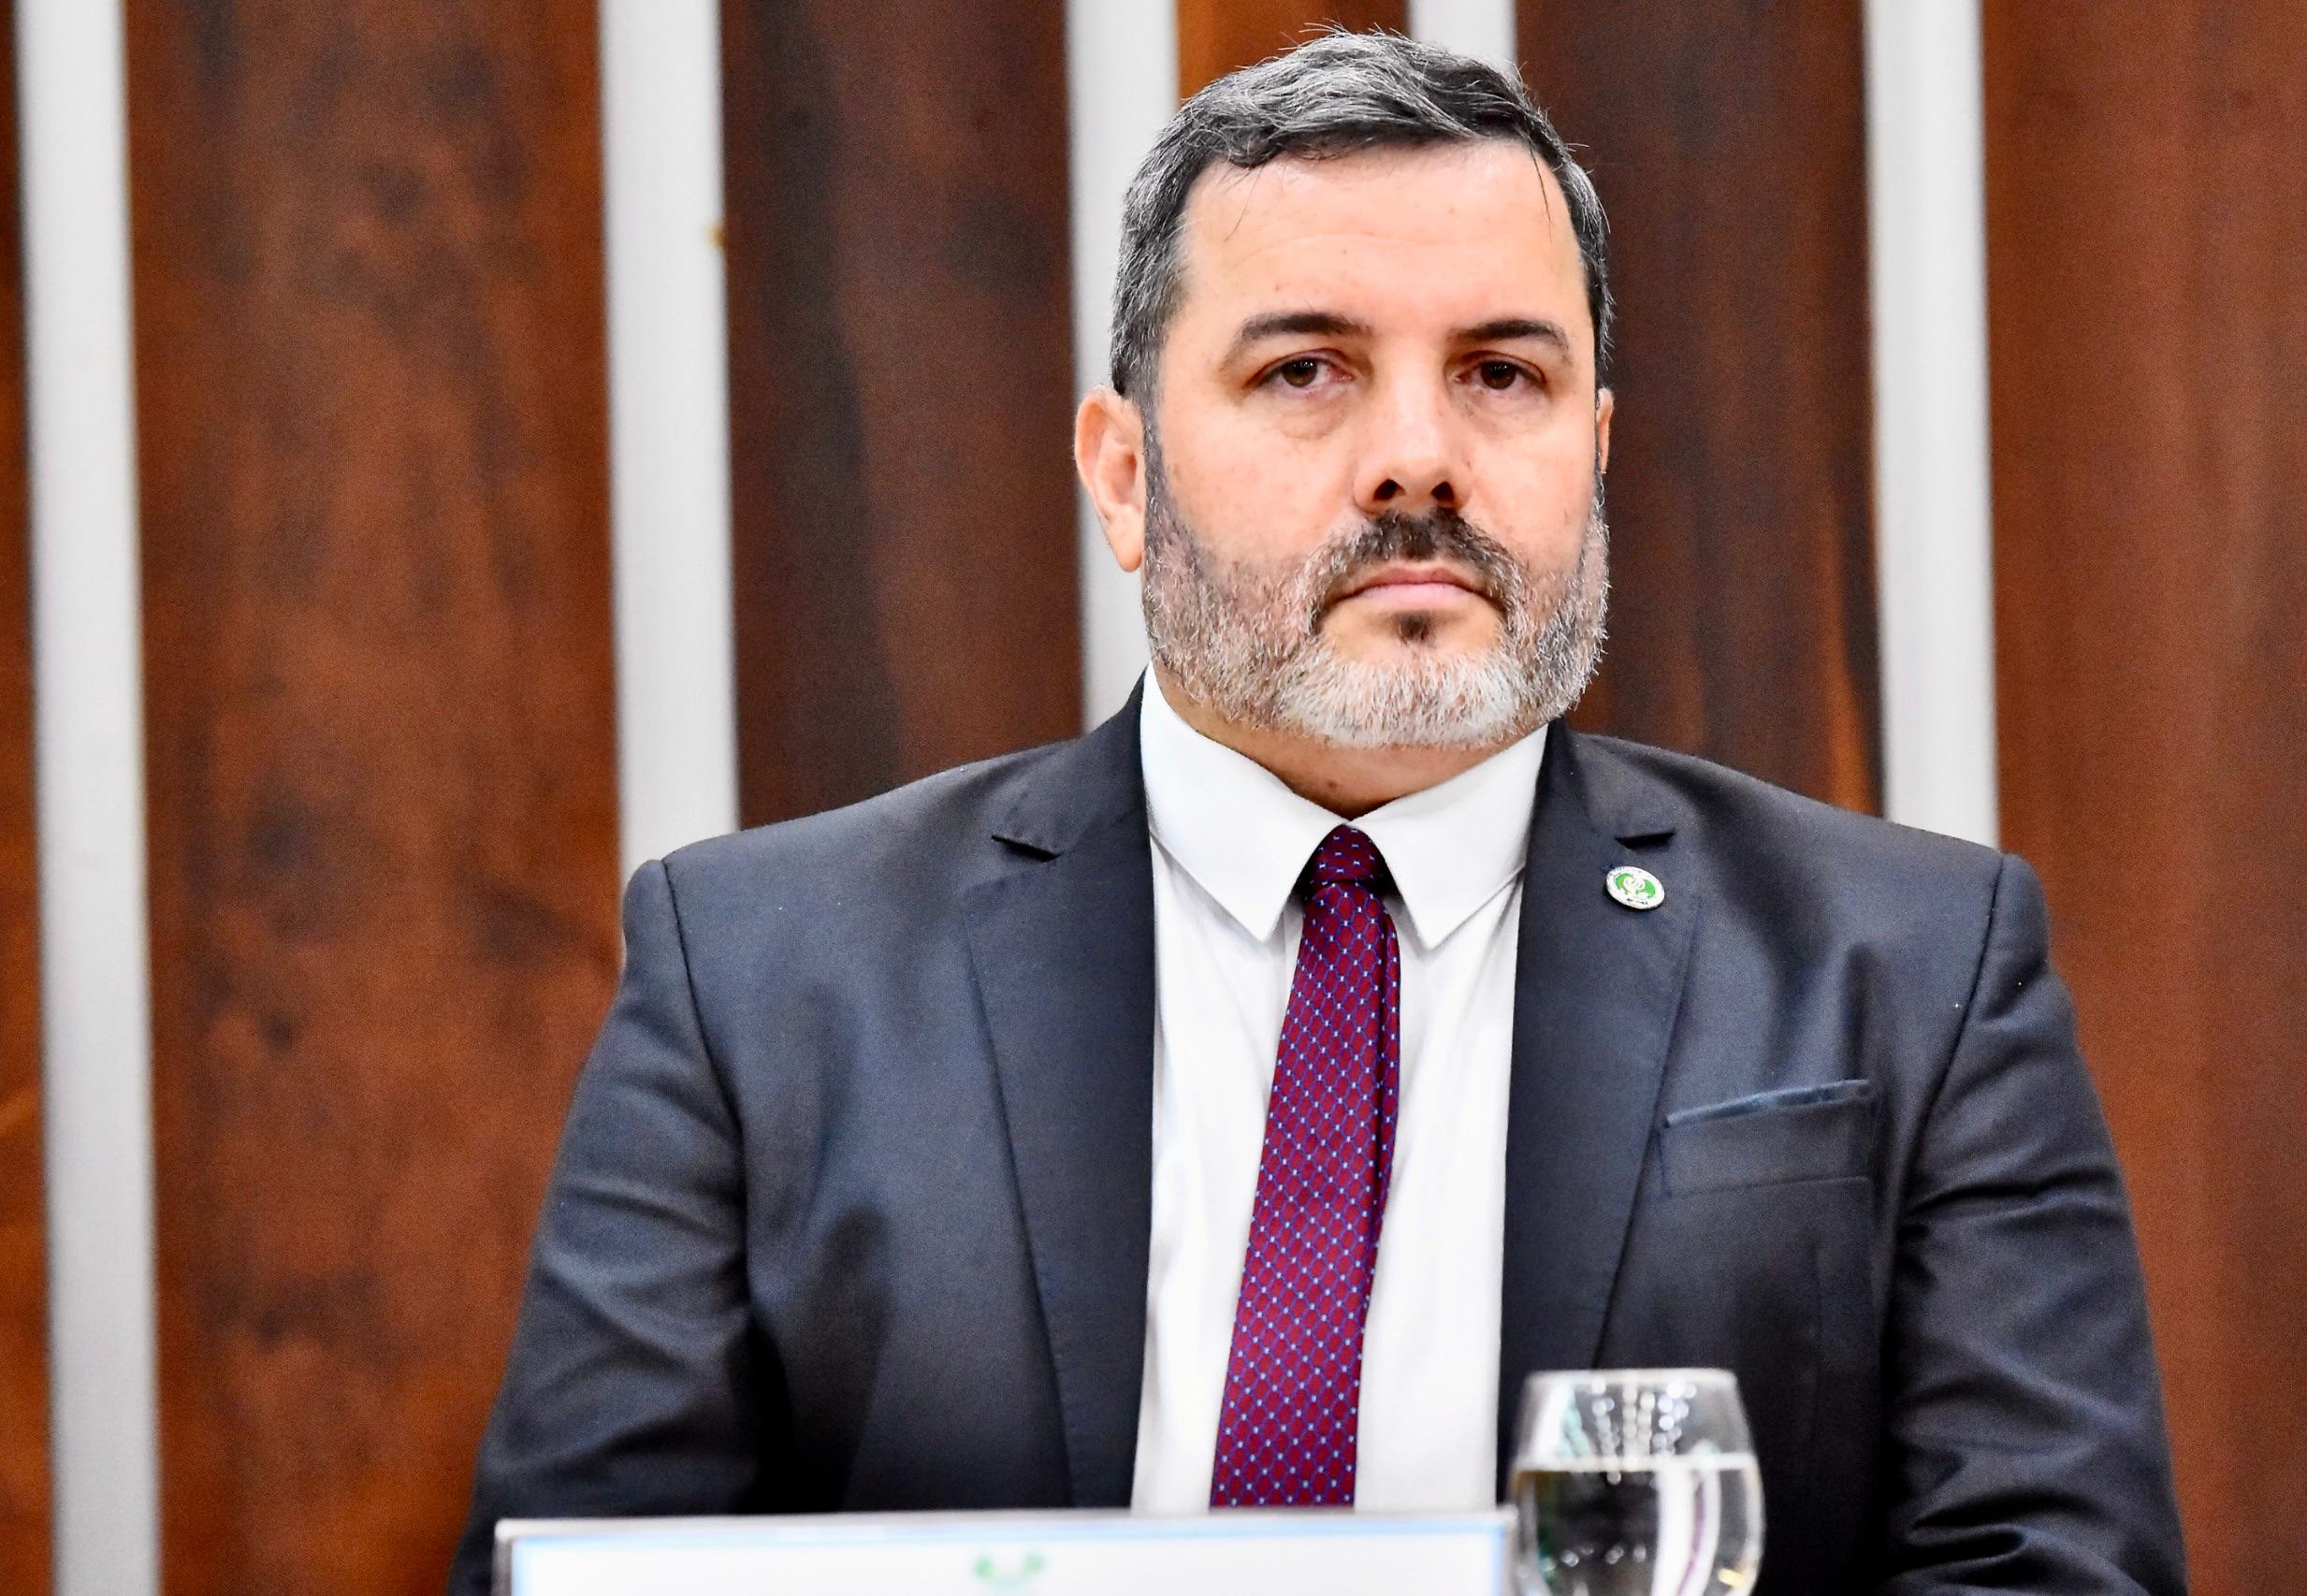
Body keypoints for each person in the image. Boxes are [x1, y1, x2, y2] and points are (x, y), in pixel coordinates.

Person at [451, 30, 2184, 1595]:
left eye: (1500, 374)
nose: (1416, 457)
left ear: (1594, 454)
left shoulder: (1912, 969)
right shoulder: (760, 975)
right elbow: (588, 1570)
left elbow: (2048, 1569)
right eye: (1306, 370)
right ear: (1125, 475)